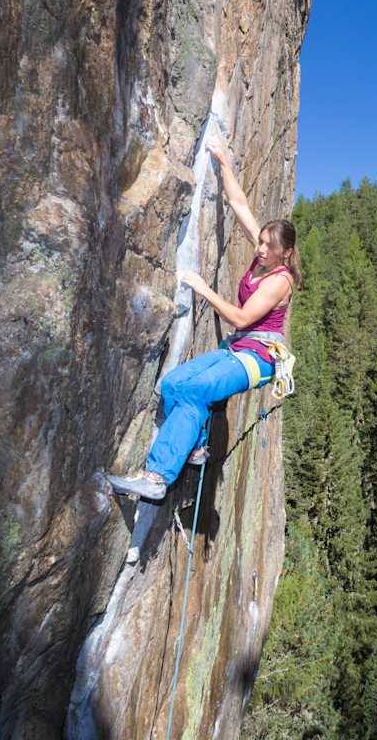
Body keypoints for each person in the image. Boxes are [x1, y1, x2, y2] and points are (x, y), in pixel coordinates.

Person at [108, 148, 300, 500]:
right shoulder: (265, 254)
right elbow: (240, 204)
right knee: (173, 384)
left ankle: (157, 478)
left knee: (196, 392)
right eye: (259, 241)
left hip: (257, 360)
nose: (258, 248)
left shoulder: (280, 280)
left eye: (267, 246)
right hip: (238, 349)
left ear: (284, 253)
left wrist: (203, 289)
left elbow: (241, 318)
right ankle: (195, 449)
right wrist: (225, 162)